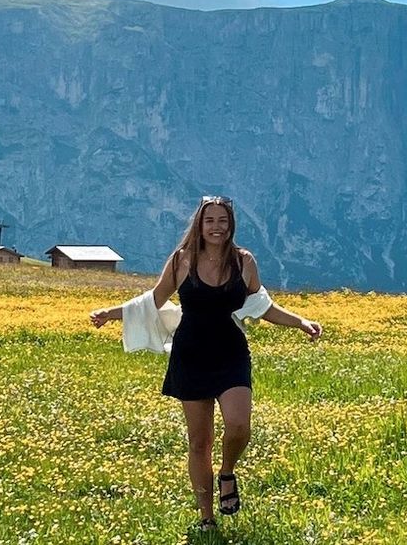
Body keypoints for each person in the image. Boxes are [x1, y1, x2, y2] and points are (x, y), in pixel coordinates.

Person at [89, 196, 322, 531]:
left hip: (231, 354)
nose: (217, 227)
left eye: (222, 220)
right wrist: (111, 314)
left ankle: (227, 472)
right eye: (210, 220)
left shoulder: (244, 262)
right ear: (199, 224)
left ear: (231, 225)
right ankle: (206, 518)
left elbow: (263, 306)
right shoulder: (182, 260)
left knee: (239, 424)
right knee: (199, 442)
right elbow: (153, 300)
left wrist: (301, 321)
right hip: (191, 355)